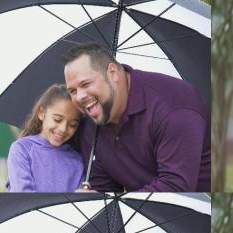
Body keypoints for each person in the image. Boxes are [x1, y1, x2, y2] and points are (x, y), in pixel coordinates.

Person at [63, 43, 211, 192]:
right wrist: (92, 199)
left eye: (86, 84)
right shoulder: (92, 121)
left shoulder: (173, 109)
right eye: (73, 91)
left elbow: (175, 187)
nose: (80, 97)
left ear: (113, 72)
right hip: (140, 208)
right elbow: (105, 188)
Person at [7, 84, 84, 192]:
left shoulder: (78, 161)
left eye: (72, 125)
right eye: (57, 119)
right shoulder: (22, 149)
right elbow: (22, 196)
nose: (63, 129)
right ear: (42, 113)